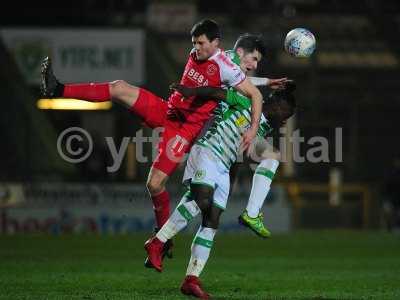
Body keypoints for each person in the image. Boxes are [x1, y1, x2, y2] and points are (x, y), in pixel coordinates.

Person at [41, 25, 287, 258]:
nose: (254, 66)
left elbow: (239, 80)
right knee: (119, 88)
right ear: (239, 53)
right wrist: (259, 104)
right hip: (183, 122)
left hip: (203, 133)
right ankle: (58, 89)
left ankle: (172, 236)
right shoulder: (222, 61)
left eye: (257, 63)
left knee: (166, 187)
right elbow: (241, 82)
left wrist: (265, 82)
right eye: (253, 59)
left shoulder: (226, 64)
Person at [144, 82, 297, 299]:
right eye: (285, 114)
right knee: (201, 201)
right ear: (275, 105)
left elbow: (237, 158)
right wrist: (191, 91)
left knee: (211, 221)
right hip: (207, 151)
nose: (283, 121)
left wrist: (229, 184)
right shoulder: (247, 101)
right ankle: (157, 243)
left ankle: (191, 279)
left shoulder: (260, 126)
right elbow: (217, 92)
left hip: (223, 167)